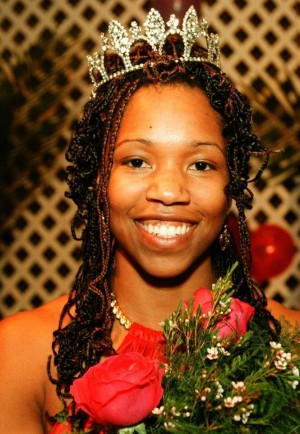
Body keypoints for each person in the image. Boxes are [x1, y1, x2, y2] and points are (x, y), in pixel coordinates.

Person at [0, 7, 299, 434]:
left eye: (201, 165)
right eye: (137, 161)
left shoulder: (291, 347)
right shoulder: (19, 354)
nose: (169, 191)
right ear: (98, 179)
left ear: (231, 182)